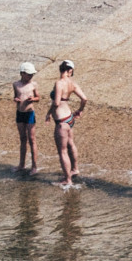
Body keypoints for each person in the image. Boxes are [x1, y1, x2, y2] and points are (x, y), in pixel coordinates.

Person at [47, 60, 86, 190]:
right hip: (69, 117)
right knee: (71, 144)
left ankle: (67, 179)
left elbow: (56, 102)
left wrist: (48, 114)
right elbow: (84, 99)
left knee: (62, 151)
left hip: (61, 121)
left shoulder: (59, 83)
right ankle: (75, 169)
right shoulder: (72, 83)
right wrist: (80, 110)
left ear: (61, 69)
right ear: (70, 71)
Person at [13, 63, 40, 175]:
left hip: (29, 113)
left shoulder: (33, 84)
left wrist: (33, 99)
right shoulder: (16, 84)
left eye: (32, 74)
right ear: (22, 74)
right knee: (23, 139)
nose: (30, 76)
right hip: (20, 113)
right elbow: (15, 96)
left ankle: (34, 166)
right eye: (29, 74)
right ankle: (22, 164)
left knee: (32, 139)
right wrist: (16, 99)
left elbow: (38, 97)